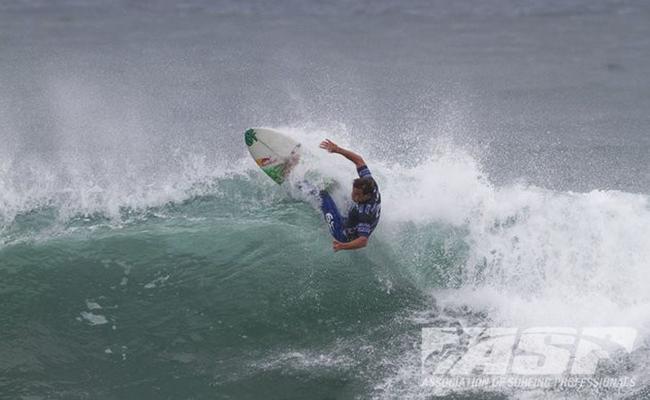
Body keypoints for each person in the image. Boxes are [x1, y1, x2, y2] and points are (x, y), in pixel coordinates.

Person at [318, 139, 381, 252]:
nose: (353, 196)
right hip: (353, 217)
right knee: (335, 183)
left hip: (344, 234)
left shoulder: (365, 213)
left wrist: (342, 246)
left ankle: (299, 182)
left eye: (357, 195)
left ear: (367, 196)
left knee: (322, 196)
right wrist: (337, 149)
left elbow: (363, 241)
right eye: (353, 191)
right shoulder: (370, 182)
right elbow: (359, 161)